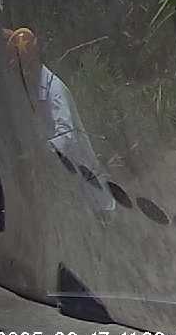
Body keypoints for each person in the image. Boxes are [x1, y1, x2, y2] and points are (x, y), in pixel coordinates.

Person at [7, 28, 114, 212]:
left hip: (85, 176)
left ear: (33, 61)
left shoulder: (54, 90)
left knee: (102, 215)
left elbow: (67, 135)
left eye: (23, 66)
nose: (22, 72)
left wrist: (41, 152)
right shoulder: (34, 90)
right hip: (66, 181)